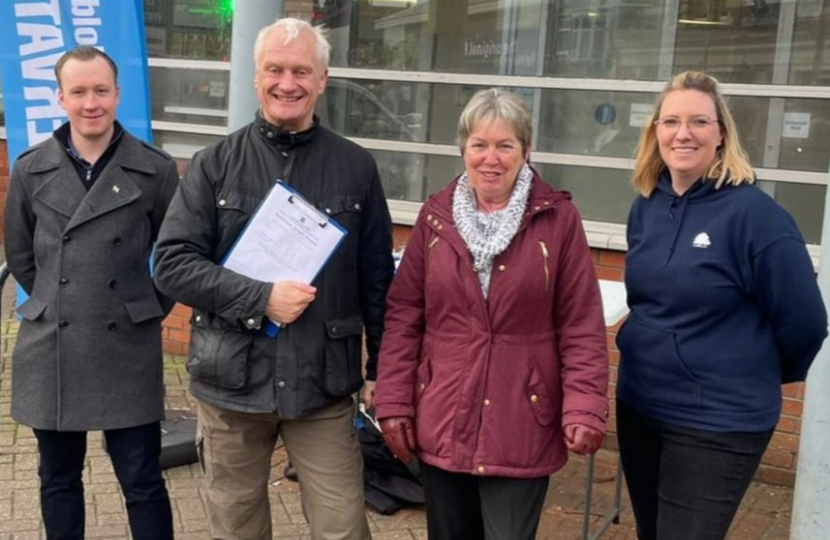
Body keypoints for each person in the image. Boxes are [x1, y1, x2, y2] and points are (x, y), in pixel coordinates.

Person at [153, 17, 393, 540]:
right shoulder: (214, 165)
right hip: (230, 386)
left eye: (302, 70)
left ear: (323, 78)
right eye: (275, 70)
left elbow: (378, 280)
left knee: (343, 527)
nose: (288, 82)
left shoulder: (356, 167)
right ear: (257, 77)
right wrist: (260, 297)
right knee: (236, 529)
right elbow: (171, 262)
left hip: (322, 387)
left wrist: (382, 371)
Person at [373, 88, 609, 540]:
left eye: (505, 145)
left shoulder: (557, 221)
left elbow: (580, 323)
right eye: (479, 145)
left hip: (521, 416)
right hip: (443, 412)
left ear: (526, 151)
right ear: (463, 149)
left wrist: (585, 406)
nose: (491, 158)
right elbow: (404, 315)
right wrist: (394, 399)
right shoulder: (435, 218)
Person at [616, 71, 828, 540]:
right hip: (642, 405)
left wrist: (744, 371)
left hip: (717, 420)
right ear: (655, 132)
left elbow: (807, 323)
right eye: (670, 121)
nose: (683, 133)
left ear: (721, 134)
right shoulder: (647, 204)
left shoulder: (756, 216)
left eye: (698, 121)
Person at [3, 46, 178, 540]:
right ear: (60, 97)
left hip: (126, 343)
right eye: (78, 91)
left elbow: (173, 254)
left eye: (101, 90)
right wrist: (53, 303)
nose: (91, 102)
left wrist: (144, 309)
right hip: (52, 346)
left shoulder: (155, 169)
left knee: (142, 479)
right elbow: (20, 254)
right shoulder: (30, 168)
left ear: (117, 95)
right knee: (58, 478)